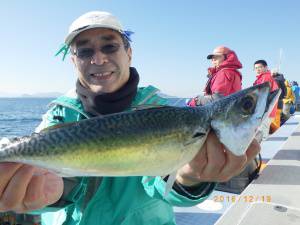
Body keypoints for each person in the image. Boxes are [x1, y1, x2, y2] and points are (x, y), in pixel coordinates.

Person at [0, 11, 260, 225]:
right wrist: (46, 195)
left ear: (129, 52)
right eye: (84, 51)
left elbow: (164, 188)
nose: (98, 58)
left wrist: (188, 178)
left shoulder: (162, 111)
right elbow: (51, 184)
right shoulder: (58, 114)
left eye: (109, 46)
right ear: (73, 61)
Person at [253, 60, 279, 134]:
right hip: (266, 110)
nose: (258, 69)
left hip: (266, 110)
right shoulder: (261, 78)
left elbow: (261, 94)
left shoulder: (265, 78)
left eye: (260, 67)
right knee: (261, 132)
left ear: (266, 67)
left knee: (262, 133)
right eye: (256, 68)